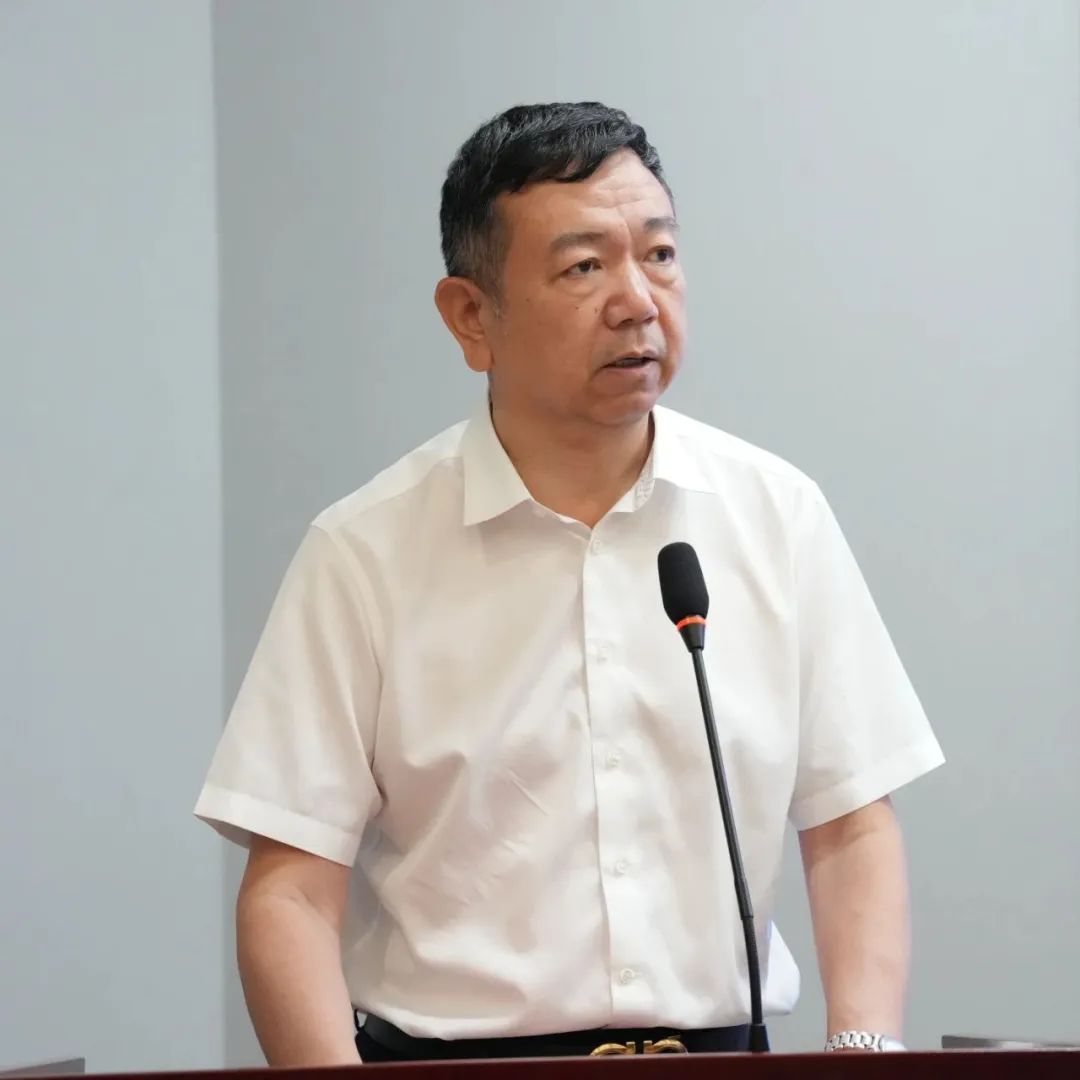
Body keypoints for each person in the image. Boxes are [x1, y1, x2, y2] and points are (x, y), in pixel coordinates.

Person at [195, 101, 944, 1064]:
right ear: (472, 317)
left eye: (660, 255)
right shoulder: (365, 553)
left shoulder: (776, 515)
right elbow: (292, 890)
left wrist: (865, 1055)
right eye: (585, 267)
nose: (638, 301)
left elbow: (850, 825)